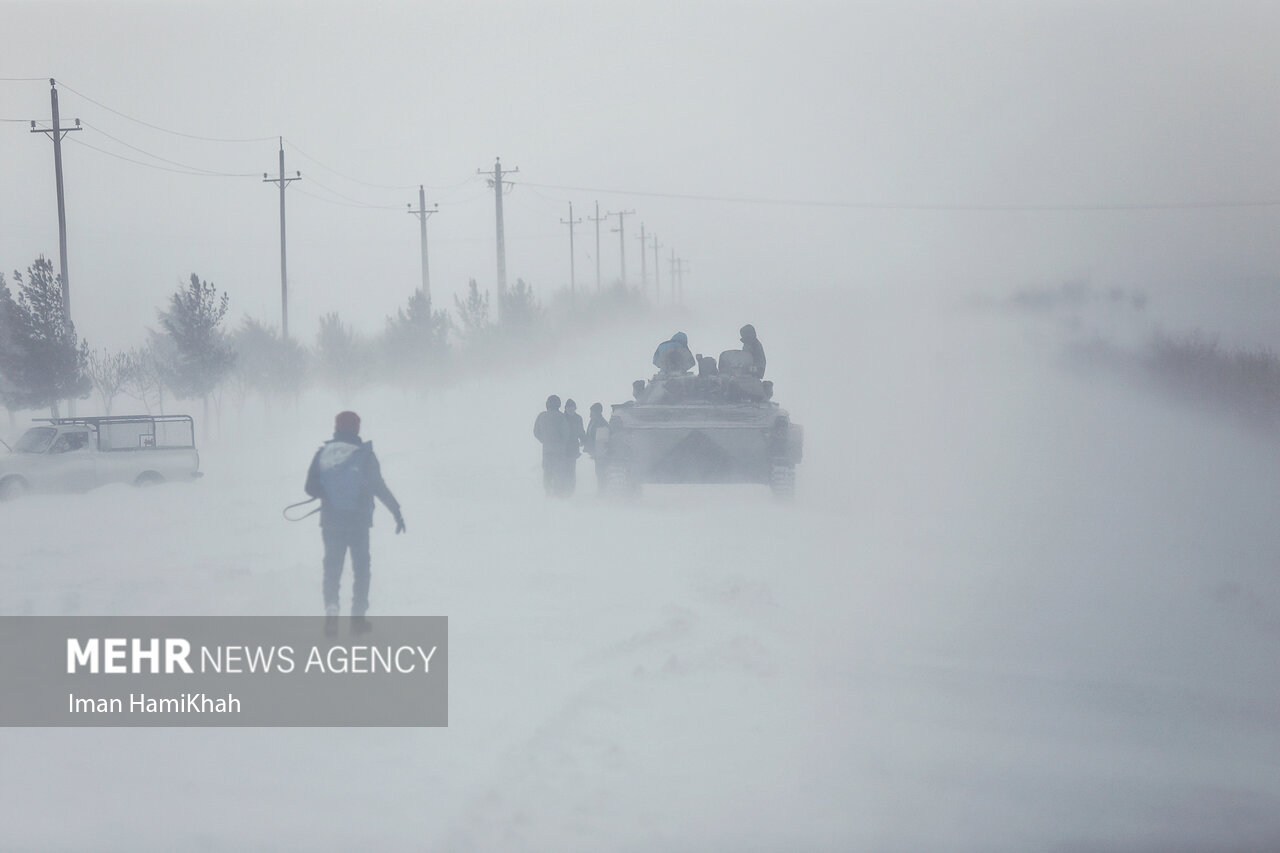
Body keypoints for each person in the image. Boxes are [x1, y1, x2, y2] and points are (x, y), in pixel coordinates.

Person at [304, 411, 405, 635]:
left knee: (332, 569)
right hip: (359, 523)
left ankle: (331, 614)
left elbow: (309, 488)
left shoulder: (324, 454)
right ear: (357, 428)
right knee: (361, 570)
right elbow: (380, 487)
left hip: (331, 523)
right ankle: (358, 620)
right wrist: (396, 511)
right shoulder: (365, 455)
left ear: (336, 427)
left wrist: (328, 494)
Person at [533, 395, 571, 497]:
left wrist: (545, 441)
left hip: (547, 450)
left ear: (547, 404)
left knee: (547, 472)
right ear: (558, 404)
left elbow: (536, 432)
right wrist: (562, 443)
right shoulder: (561, 416)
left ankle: (548, 492)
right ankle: (557, 493)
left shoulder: (541, 416)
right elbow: (566, 433)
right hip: (559, 450)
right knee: (558, 471)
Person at [563, 399, 587, 496]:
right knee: (563, 471)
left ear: (575, 408)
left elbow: (581, 430)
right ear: (566, 408)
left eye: (572, 408)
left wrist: (583, 440)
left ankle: (570, 491)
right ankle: (563, 490)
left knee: (571, 471)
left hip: (573, 448)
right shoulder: (562, 418)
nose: (571, 410)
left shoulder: (578, 418)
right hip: (563, 449)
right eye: (569, 408)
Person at [584, 402, 609, 491]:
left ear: (597, 412)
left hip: (600, 453)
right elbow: (589, 434)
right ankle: (601, 490)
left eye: (592, 412)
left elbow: (601, 440)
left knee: (601, 472)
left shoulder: (602, 423)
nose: (590, 415)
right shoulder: (593, 421)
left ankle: (602, 491)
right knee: (599, 472)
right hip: (596, 452)